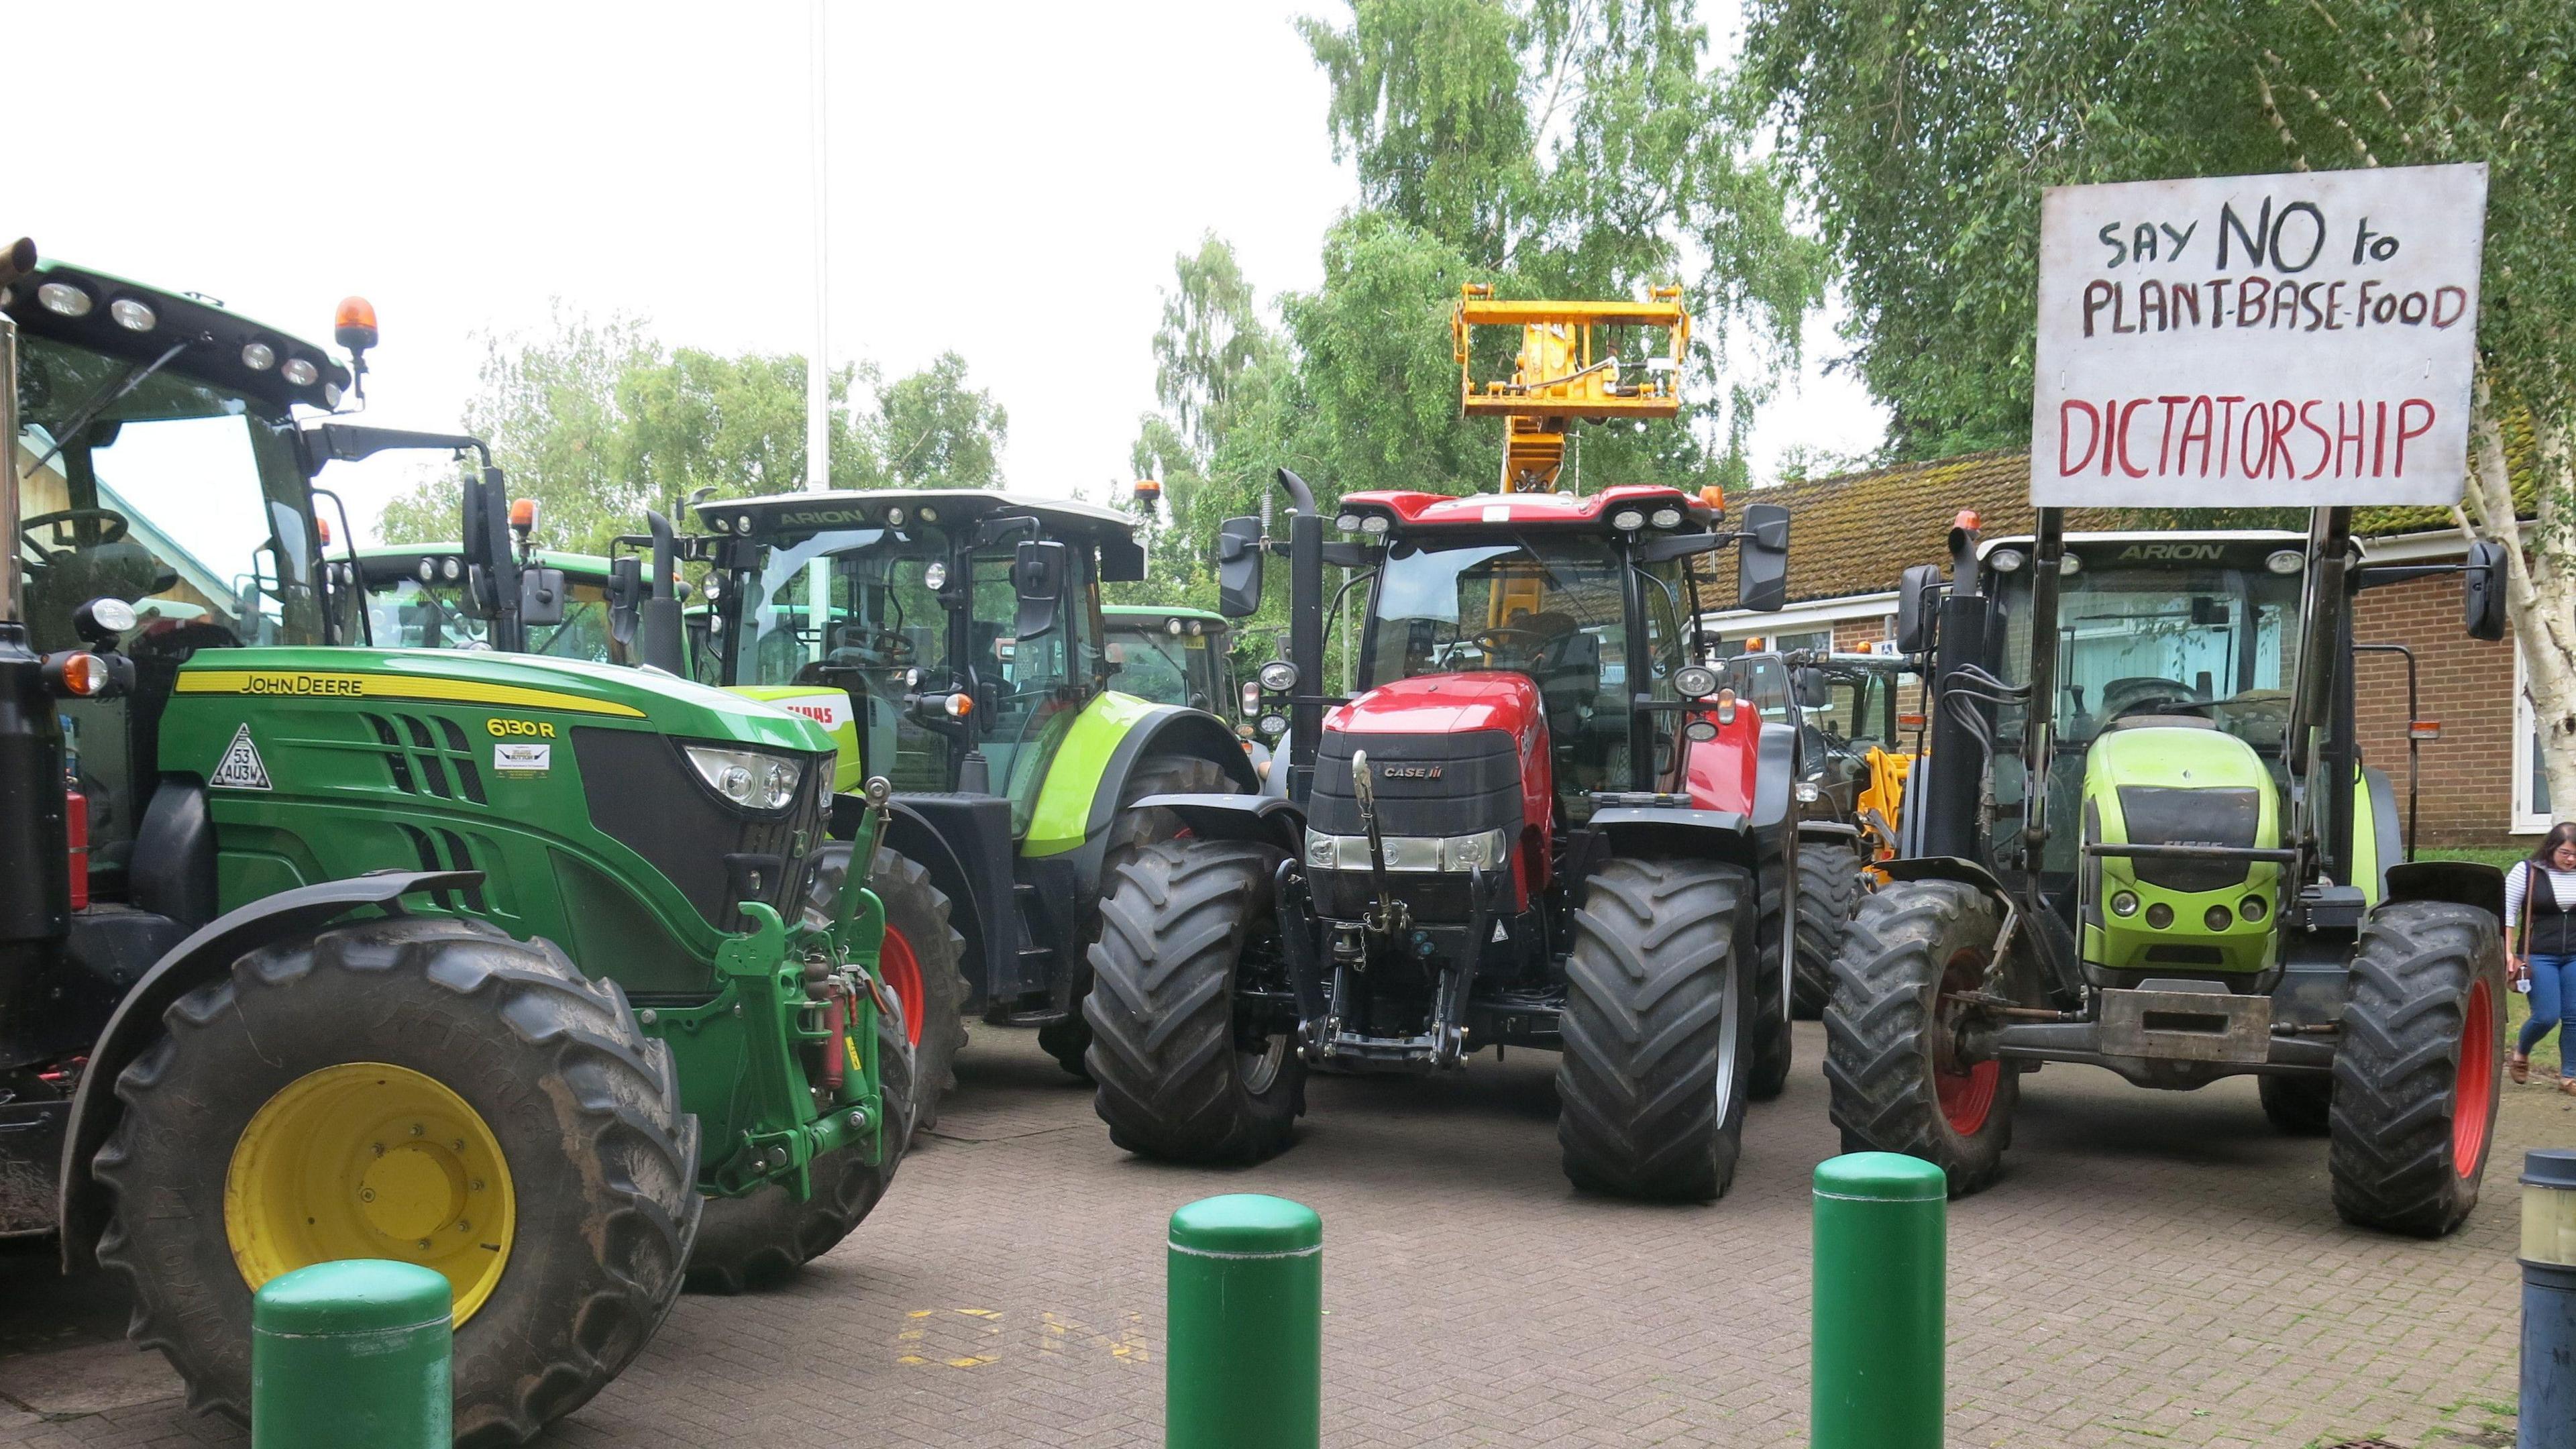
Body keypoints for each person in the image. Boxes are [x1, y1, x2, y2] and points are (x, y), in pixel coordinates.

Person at [2507, 821, 2576, 1091]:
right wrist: (2509, 954)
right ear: (2551, 849)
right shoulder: (2527, 871)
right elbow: (2508, 912)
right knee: (2547, 1015)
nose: (2571, 860)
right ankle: (2522, 1051)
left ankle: (2569, 1075)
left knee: (2574, 1016)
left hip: (2574, 955)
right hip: (2538, 954)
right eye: (2565, 853)